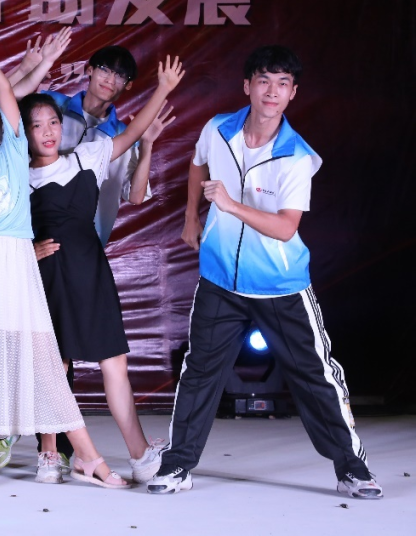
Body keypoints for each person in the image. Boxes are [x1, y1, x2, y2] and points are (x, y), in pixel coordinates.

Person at [148, 46, 382, 499]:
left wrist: (230, 205)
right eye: (263, 81)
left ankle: (352, 468)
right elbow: (198, 163)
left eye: (282, 84)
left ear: (293, 93)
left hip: (280, 285)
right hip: (220, 279)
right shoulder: (218, 129)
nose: (271, 92)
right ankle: (177, 465)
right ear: (247, 86)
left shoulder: (297, 157)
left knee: (316, 376)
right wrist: (191, 218)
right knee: (199, 372)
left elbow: (285, 227)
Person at [0, 27, 128, 490]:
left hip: (16, 265)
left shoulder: (12, 152)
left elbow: (4, 89)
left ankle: (87, 456)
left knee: (44, 361)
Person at [0, 39, 171, 480]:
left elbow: (134, 133)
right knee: (54, 366)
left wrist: (163, 89)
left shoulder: (89, 155)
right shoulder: (15, 176)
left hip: (92, 269)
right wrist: (26, 253)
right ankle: (50, 454)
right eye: (36, 125)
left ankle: (140, 455)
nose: (48, 131)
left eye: (53, 123)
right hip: (48, 274)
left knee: (115, 363)